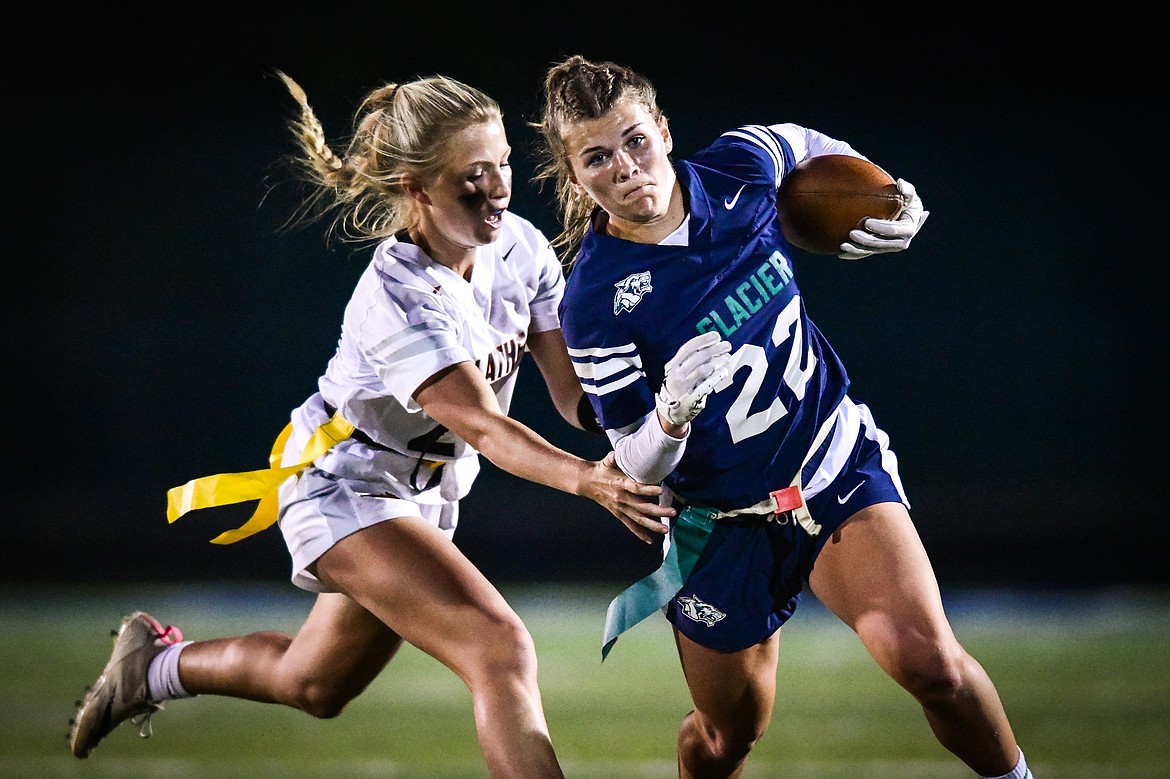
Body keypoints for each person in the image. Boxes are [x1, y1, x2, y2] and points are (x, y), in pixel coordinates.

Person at [68, 70, 674, 779]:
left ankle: (154, 667)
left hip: (422, 493)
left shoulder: (520, 248)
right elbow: (482, 425)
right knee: (498, 646)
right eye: (472, 177)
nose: (499, 189)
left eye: (504, 163)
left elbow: (577, 396)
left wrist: (666, 417)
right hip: (342, 482)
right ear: (416, 188)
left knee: (314, 683)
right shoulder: (399, 295)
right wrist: (588, 481)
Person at [531, 55, 1034, 779]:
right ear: (577, 177)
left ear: (664, 132)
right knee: (725, 735)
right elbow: (631, 463)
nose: (626, 167)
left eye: (634, 140)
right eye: (598, 157)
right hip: (720, 522)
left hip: (828, 461)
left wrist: (887, 188)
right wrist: (669, 415)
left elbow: (803, 143)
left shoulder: (737, 169)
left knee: (932, 663)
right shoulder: (595, 299)